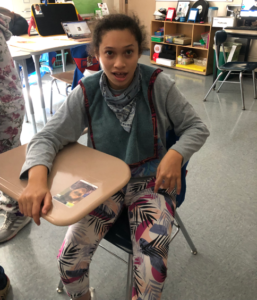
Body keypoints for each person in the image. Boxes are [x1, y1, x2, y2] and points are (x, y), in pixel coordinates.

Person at [18, 14, 210, 300]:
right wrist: (36, 179)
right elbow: (48, 136)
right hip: (100, 184)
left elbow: (197, 127)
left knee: (151, 272)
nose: (119, 63)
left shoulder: (158, 84)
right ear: (97, 53)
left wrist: (176, 153)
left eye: (128, 52)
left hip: (150, 183)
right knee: (69, 259)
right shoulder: (87, 90)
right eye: (110, 53)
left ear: (139, 51)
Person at [0, 12, 30, 300]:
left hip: (3, 109)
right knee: (8, 165)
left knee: (9, 165)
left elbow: (20, 23)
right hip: (8, 103)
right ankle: (14, 202)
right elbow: (19, 22)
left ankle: (18, 212)